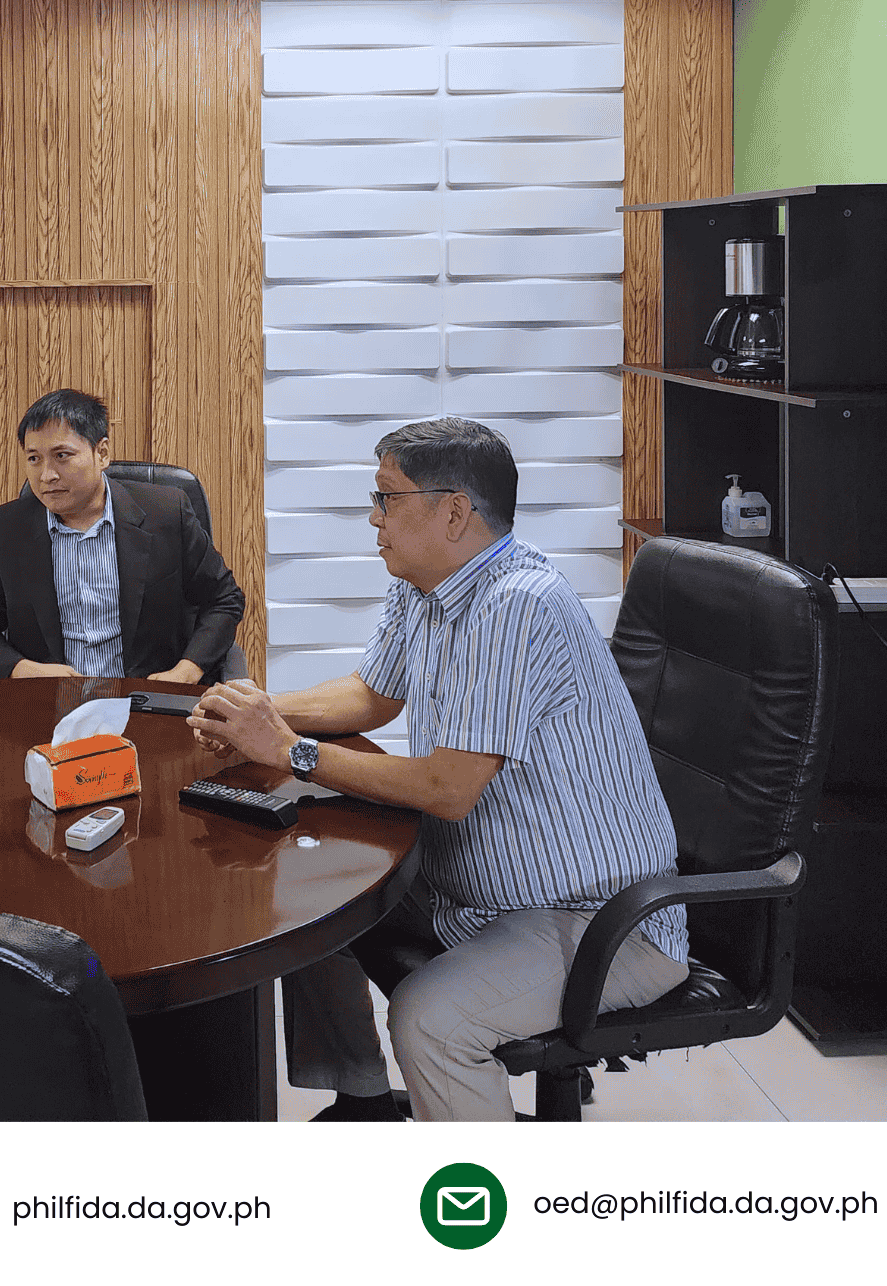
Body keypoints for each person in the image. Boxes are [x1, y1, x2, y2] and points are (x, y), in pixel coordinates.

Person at [190, 417, 687, 1122]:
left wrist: (287, 749)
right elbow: (370, 694)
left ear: (453, 511)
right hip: (483, 888)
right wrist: (258, 710)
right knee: (305, 896)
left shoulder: (516, 606)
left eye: (386, 498)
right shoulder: (428, 585)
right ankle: (363, 1098)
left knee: (431, 1021)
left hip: (599, 916)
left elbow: (448, 790)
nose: (373, 516)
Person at [0, 388, 244, 684]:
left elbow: (223, 599)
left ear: (101, 453)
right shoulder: (7, 529)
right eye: (34, 459)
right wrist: (23, 669)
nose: (46, 475)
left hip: (145, 698)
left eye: (61, 456)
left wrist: (185, 671)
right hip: (46, 703)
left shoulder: (166, 514)